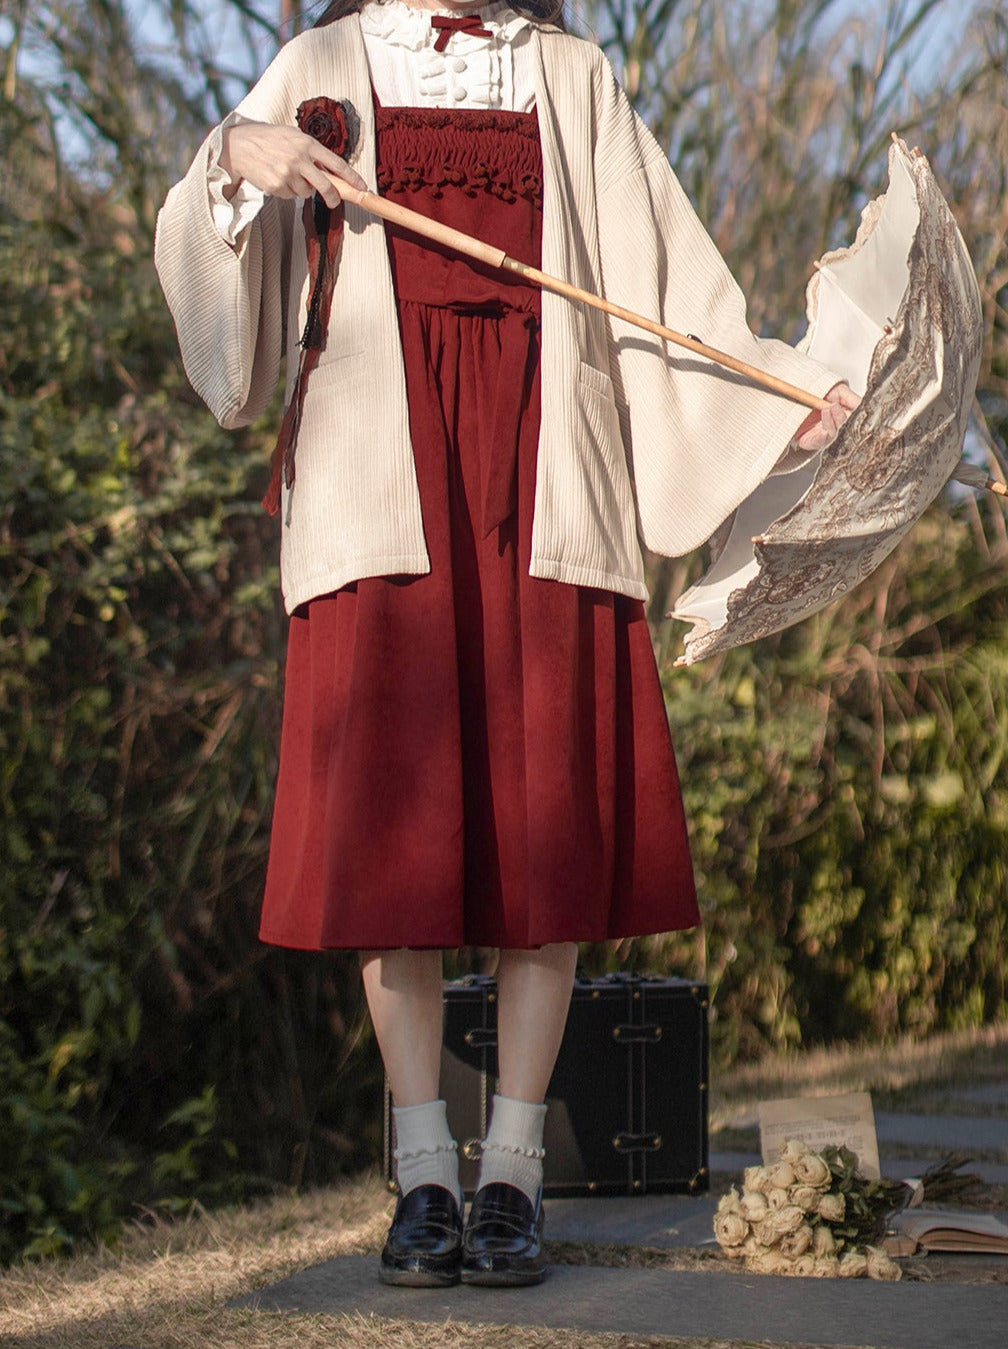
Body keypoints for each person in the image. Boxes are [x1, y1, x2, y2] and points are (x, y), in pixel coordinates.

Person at [155, 0, 855, 1290]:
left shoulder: (574, 76)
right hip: (381, 483)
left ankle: (515, 1180)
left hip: (549, 482)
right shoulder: (322, 60)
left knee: (543, 840)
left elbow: (660, 284)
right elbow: (216, 234)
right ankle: (425, 1175)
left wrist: (769, 402)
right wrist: (233, 158)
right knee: (394, 854)